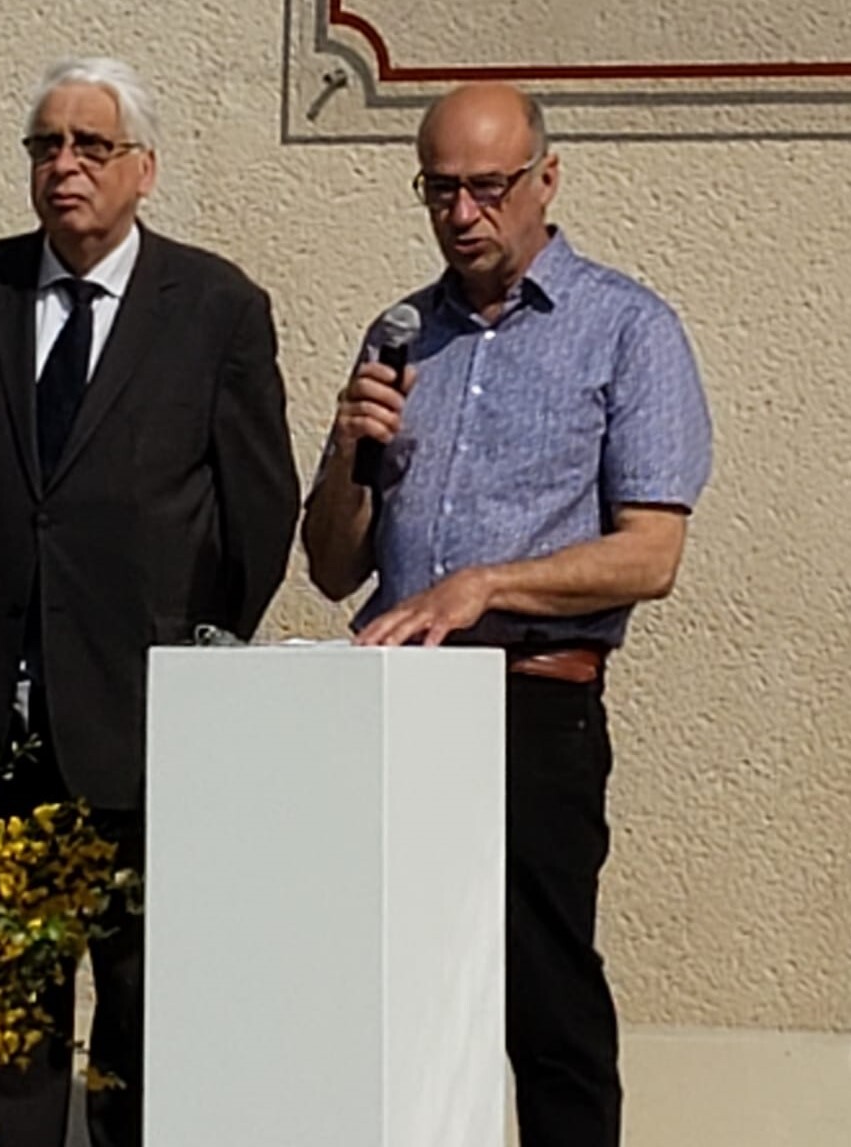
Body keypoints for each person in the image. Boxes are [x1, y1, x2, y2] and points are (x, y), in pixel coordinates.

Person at [302, 82, 711, 1147]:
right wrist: (350, 451)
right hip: (393, 714)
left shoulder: (627, 329)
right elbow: (332, 564)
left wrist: (485, 584)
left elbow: (651, 553)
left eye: (488, 187)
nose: (464, 213)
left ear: (546, 179)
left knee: (547, 1005)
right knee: (387, 1000)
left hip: (531, 710)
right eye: (441, 190)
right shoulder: (400, 335)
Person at [0, 56, 299, 1147]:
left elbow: (255, 514)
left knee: (147, 1017)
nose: (64, 166)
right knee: (7, 1020)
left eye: (90, 145)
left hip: (149, 722)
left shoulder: (215, 306)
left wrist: (191, 660)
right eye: (45, 146)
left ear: (145, 169)